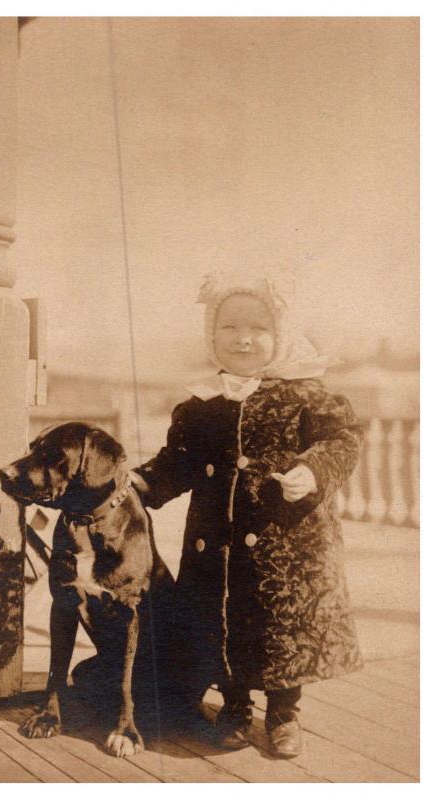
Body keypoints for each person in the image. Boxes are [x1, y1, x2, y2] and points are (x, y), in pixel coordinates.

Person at [133, 269, 363, 758]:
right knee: (221, 619)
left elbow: (342, 440)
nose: (242, 339)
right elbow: (179, 461)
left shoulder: (305, 394)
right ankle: (235, 706)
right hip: (217, 540)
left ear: (279, 335)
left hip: (288, 542)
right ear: (210, 335)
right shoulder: (203, 403)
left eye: (257, 328)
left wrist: (314, 469)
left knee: (282, 625)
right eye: (228, 327)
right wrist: (145, 482)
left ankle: (284, 712)